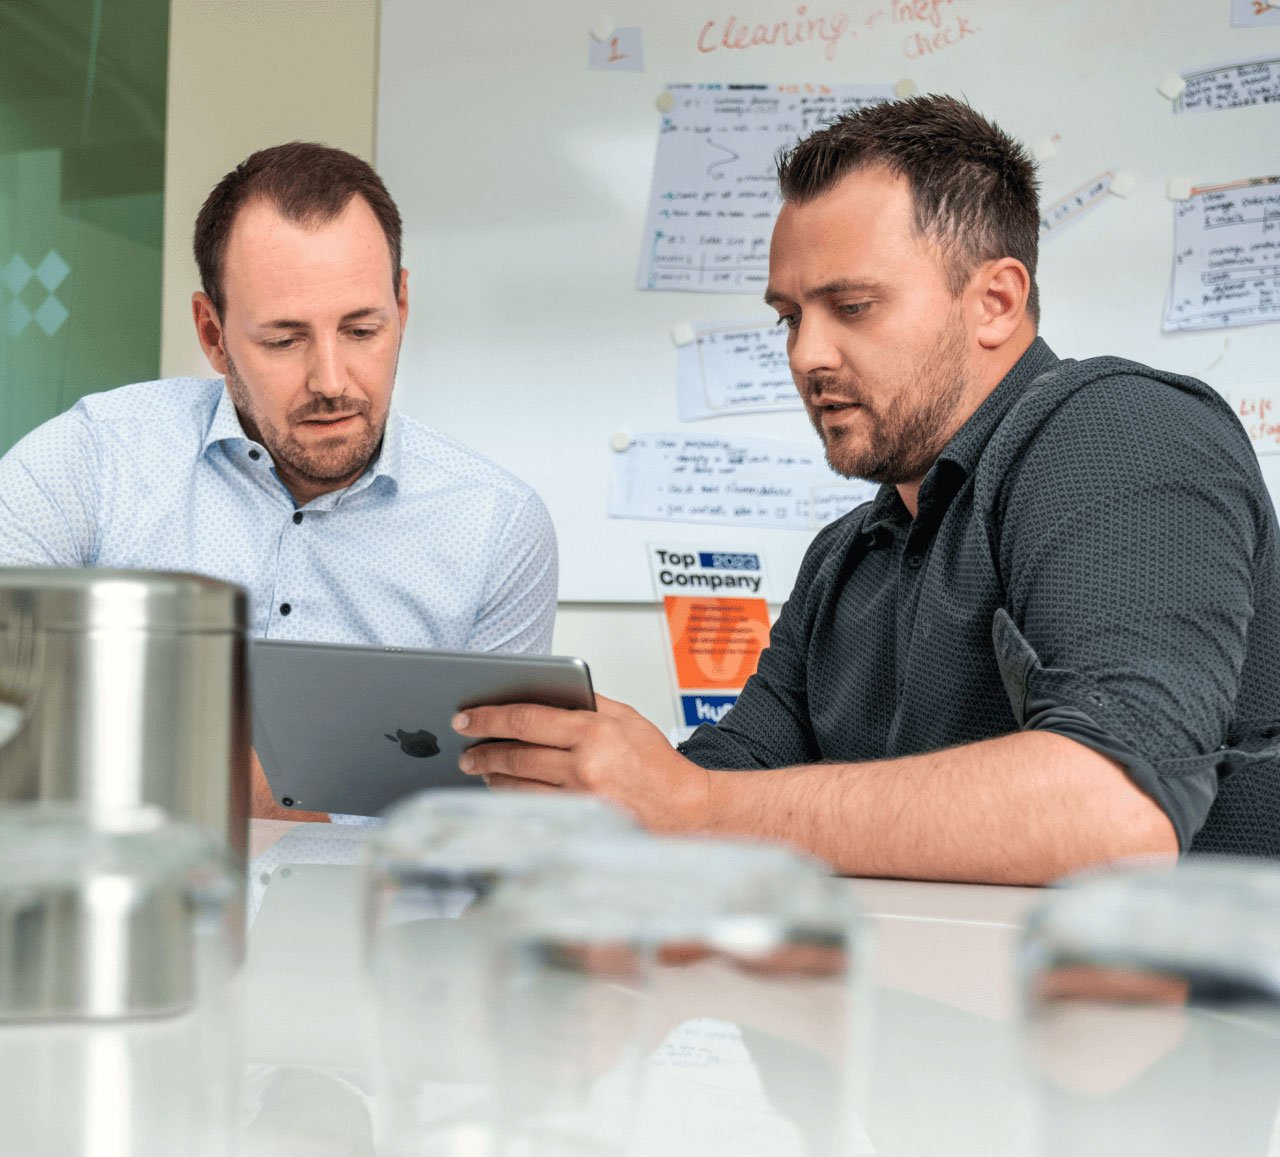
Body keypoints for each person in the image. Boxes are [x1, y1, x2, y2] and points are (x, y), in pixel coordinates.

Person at [452, 96, 1280, 884]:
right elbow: (726, 783)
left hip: (1193, 1023)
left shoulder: (1122, 430)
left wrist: (691, 807)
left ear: (996, 301)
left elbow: (1115, 809)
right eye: (789, 316)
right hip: (928, 1014)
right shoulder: (847, 556)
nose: (807, 355)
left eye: (852, 305)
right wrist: (599, 794)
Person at [0, 141, 557, 819]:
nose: (331, 381)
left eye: (361, 329)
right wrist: (251, 787)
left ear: (402, 306)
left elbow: (495, 816)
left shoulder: (496, 528)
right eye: (284, 340)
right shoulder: (87, 462)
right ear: (212, 333)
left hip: (373, 918)